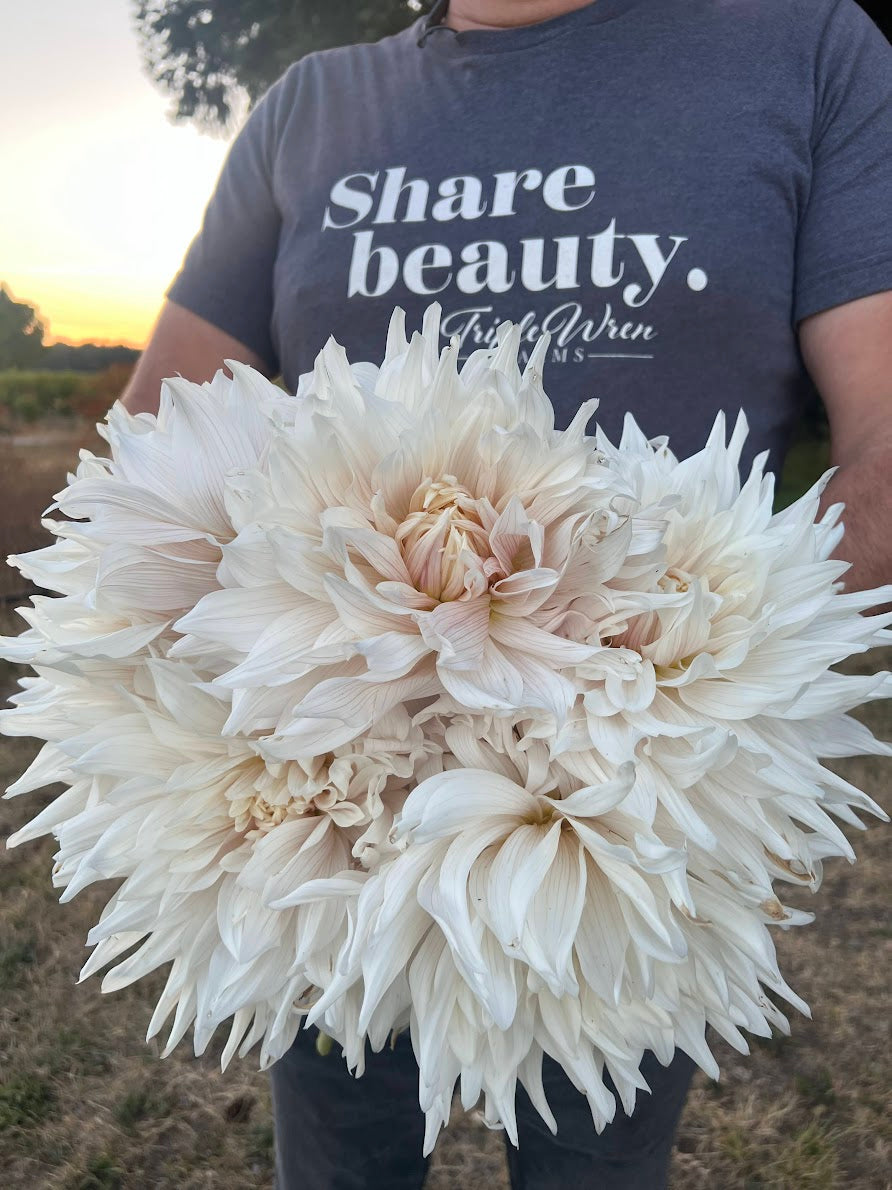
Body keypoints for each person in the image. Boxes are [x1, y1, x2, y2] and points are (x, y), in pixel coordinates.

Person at [121, 1, 892, 1186]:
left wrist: (689, 697)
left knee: (595, 1160)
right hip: (315, 825)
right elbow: (153, 436)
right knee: (335, 1160)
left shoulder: (807, 50)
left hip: (625, 816)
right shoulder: (309, 108)